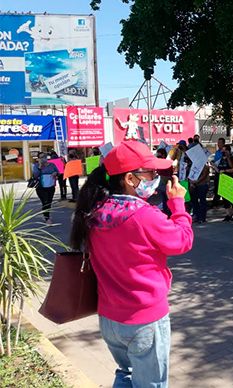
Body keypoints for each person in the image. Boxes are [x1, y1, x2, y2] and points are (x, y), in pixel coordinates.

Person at [70, 141, 193, 387]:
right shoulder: (144, 215)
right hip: (143, 320)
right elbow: (182, 241)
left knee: (125, 374)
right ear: (130, 178)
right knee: (152, 383)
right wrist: (178, 204)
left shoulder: (94, 211)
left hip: (110, 318)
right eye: (150, 172)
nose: (156, 177)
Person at [32, 152, 59, 224]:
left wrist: (55, 173)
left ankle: (46, 214)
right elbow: (35, 175)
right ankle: (47, 218)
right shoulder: (36, 165)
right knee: (45, 201)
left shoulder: (52, 165)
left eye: (44, 157)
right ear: (38, 159)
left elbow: (58, 172)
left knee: (49, 202)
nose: (43, 158)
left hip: (50, 186)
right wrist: (40, 167)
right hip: (40, 187)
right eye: (41, 157)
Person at [217, 145, 233, 222]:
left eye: (225, 150)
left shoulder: (232, 158)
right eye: (223, 151)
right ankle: (228, 214)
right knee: (224, 197)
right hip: (223, 179)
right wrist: (214, 167)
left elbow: (232, 167)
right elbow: (219, 169)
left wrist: (228, 157)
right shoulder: (221, 159)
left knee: (231, 197)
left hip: (230, 179)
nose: (223, 152)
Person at [189, 145, 210, 224]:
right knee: (194, 201)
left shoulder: (204, 161)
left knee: (202, 201)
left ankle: (202, 217)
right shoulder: (193, 161)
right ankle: (196, 216)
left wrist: (196, 182)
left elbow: (205, 174)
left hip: (202, 184)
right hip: (194, 185)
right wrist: (191, 181)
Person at [212, 137, 226, 207]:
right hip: (217, 171)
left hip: (223, 171)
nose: (218, 144)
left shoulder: (225, 152)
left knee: (223, 187)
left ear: (223, 144)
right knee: (216, 187)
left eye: (220, 143)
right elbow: (215, 161)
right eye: (218, 143)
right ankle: (216, 202)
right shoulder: (217, 152)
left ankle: (224, 201)